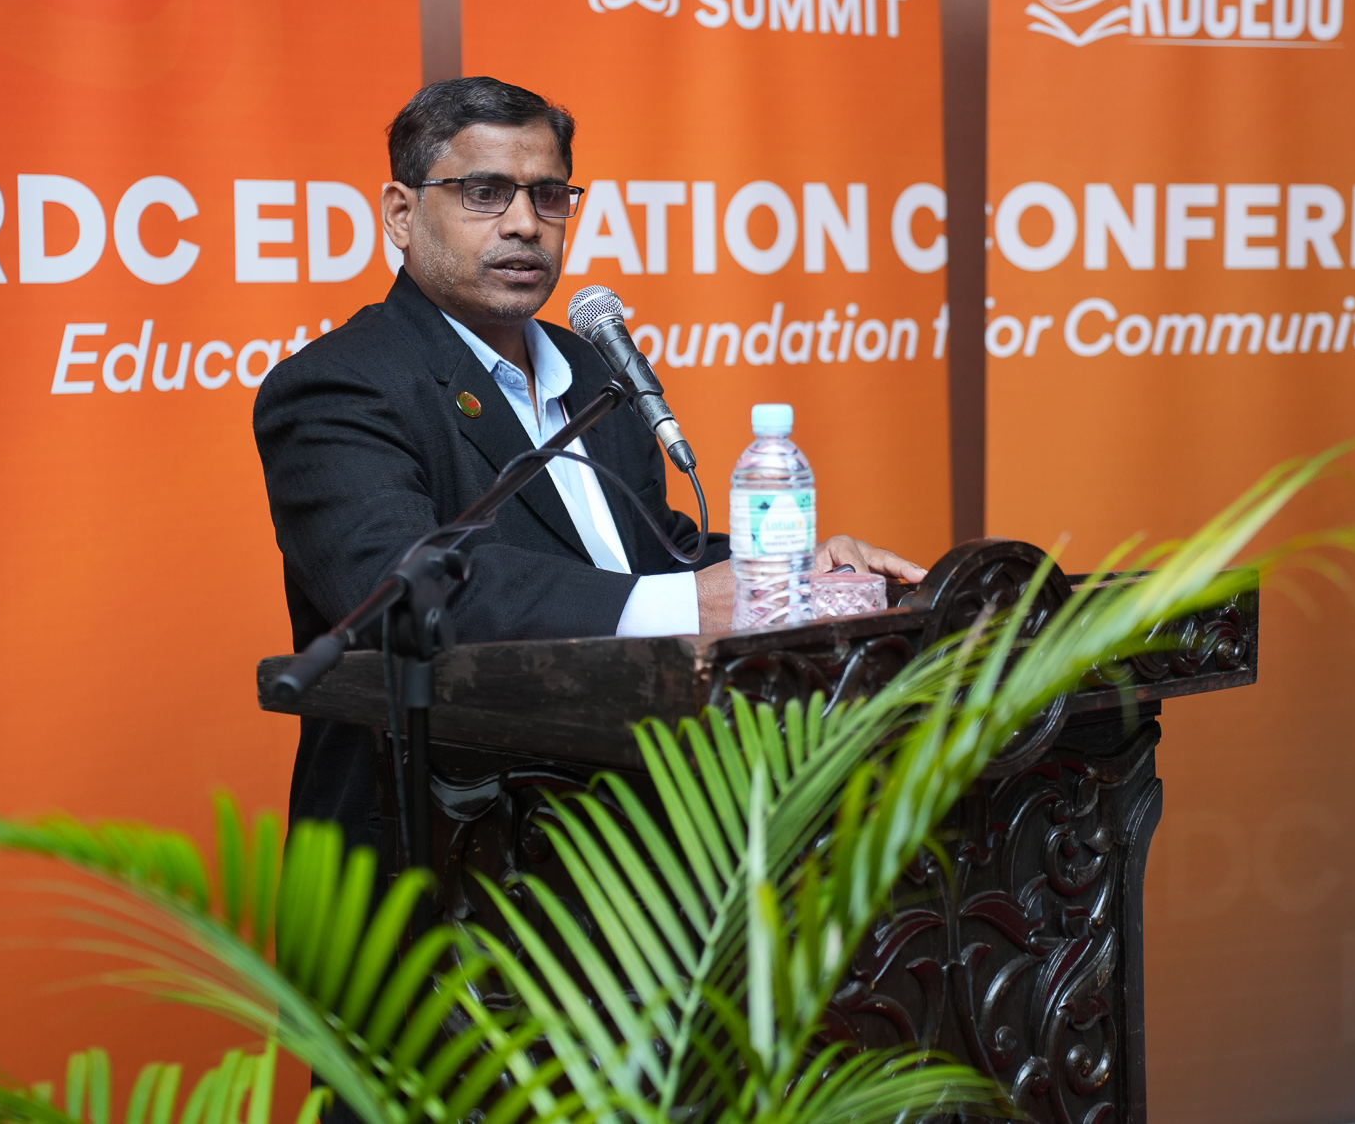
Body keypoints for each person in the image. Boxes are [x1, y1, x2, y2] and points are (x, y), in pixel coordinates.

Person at [255, 75, 926, 859]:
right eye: (484, 192)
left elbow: (647, 555)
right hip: (439, 854)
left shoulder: (589, 367)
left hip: (623, 844)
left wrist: (788, 575)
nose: (523, 223)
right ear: (401, 214)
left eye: (548, 195)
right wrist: (689, 602)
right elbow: (401, 592)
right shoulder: (339, 384)